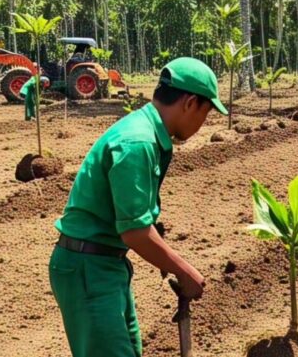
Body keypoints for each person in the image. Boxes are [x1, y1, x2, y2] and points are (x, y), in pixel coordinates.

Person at [49, 57, 227, 357]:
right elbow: (135, 232)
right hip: (88, 269)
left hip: (106, 264)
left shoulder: (145, 132)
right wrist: (184, 271)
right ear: (190, 103)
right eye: (206, 114)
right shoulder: (138, 142)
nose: (203, 124)